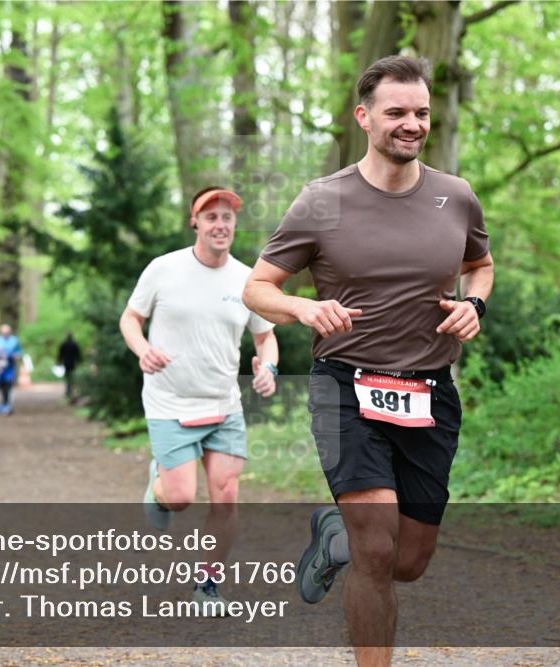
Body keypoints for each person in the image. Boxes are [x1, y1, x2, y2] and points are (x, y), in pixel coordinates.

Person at [242, 55, 493, 665]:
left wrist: (474, 305)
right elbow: (257, 288)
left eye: (421, 113)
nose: (412, 124)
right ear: (364, 117)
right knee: (377, 551)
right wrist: (303, 308)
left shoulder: (456, 196)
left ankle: (335, 540)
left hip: (430, 391)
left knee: (408, 561)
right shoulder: (322, 200)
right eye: (396, 112)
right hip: (345, 389)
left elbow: (480, 266)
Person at [119, 185, 280, 615]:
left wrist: (268, 368)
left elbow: (266, 338)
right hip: (170, 402)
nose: (220, 224)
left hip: (224, 405)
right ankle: (159, 486)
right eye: (211, 217)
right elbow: (131, 318)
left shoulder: (247, 280)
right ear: (195, 223)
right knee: (180, 497)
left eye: (227, 217)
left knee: (226, 495)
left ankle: (207, 585)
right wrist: (142, 349)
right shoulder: (163, 269)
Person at [0, 324, 22, 415]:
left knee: (8, 387)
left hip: (9, 368)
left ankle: (8, 405)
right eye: (3, 332)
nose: (5, 334)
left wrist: (15, 356)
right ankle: (2, 404)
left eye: (7, 332)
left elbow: (19, 352)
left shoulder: (15, 340)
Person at [57, 332, 82, 403]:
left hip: (66, 363)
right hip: (72, 363)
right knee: (71, 376)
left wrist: (59, 361)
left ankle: (69, 391)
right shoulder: (74, 344)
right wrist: (79, 361)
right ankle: (70, 390)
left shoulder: (64, 344)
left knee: (68, 377)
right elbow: (78, 354)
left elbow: (60, 354)